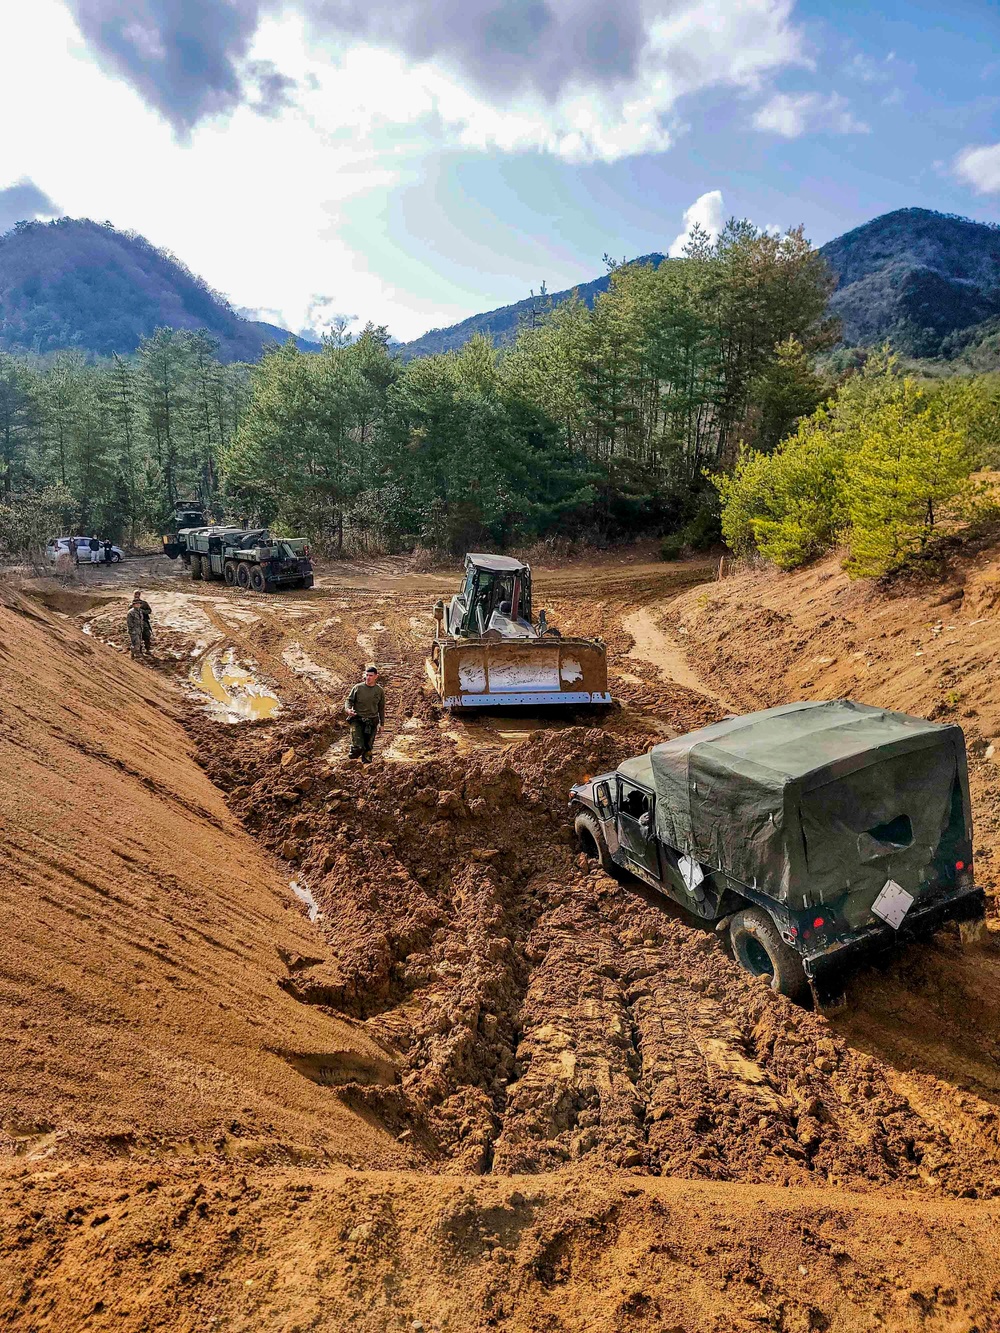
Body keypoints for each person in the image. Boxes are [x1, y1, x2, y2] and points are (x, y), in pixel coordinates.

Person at [345, 665, 385, 763]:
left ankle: (367, 770)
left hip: (372, 721)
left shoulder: (379, 691)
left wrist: (382, 724)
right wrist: (348, 710)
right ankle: (351, 763)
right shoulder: (358, 688)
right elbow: (349, 700)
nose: (368, 677)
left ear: (376, 676)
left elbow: (381, 708)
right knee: (358, 746)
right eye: (367, 675)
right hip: (357, 720)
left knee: (368, 748)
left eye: (371, 675)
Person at [131, 590, 153, 655]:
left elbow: (149, 611)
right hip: (135, 623)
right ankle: (139, 650)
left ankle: (147, 649)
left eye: (138, 594)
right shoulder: (131, 604)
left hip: (144, 622)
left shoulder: (144, 603)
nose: (137, 595)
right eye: (136, 594)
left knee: (147, 635)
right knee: (137, 637)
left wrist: (142, 611)